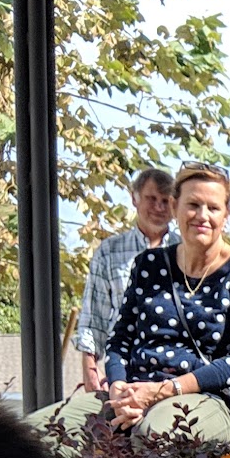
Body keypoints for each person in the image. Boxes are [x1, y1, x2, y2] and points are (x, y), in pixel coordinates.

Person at [28, 161, 230, 444]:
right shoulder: (149, 264)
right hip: (135, 391)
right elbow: (120, 340)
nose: (202, 216)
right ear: (175, 206)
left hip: (208, 396)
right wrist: (119, 387)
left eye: (213, 208)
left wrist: (163, 391)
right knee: (31, 435)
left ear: (226, 214)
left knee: (154, 435)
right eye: (193, 204)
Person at [73, 167, 174, 393]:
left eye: (166, 200)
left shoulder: (186, 252)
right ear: (134, 199)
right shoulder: (109, 252)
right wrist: (91, 372)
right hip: (120, 374)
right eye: (151, 199)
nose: (159, 207)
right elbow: (93, 317)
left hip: (172, 375)